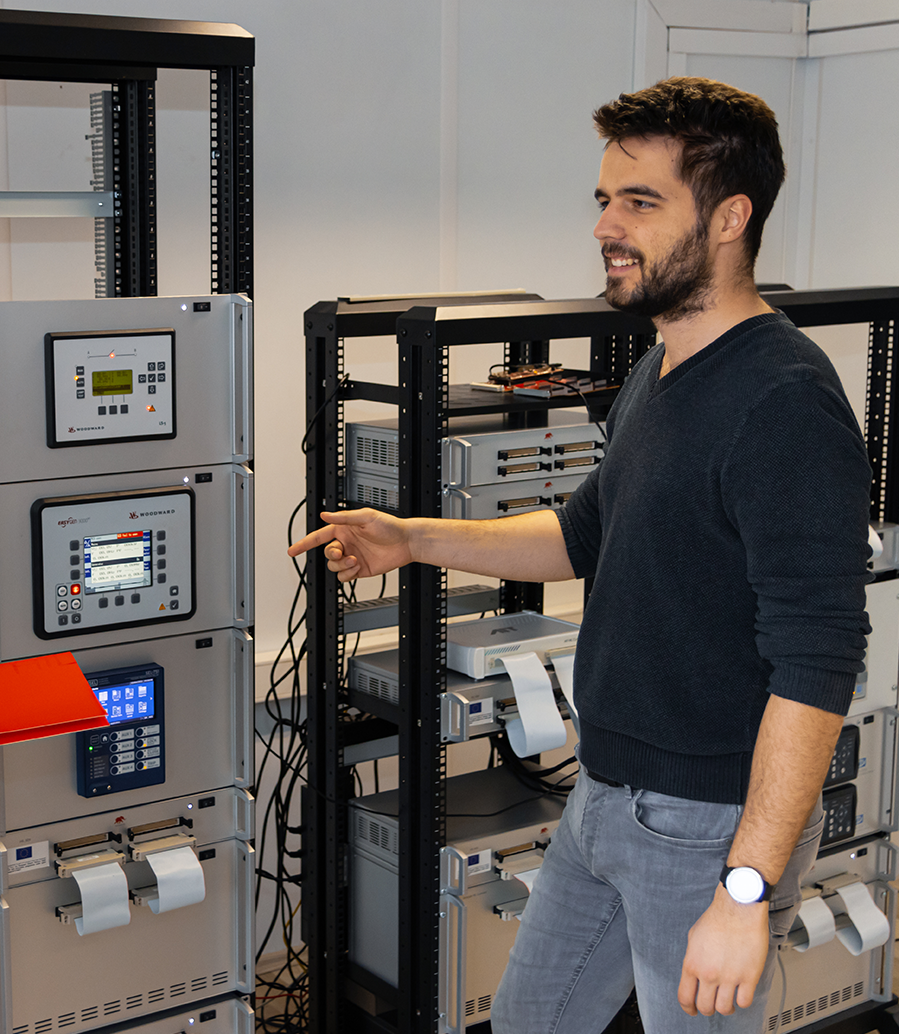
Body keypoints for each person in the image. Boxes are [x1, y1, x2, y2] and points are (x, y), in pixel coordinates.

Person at [289, 77, 871, 1031]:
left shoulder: (785, 403)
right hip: (606, 797)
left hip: (706, 826)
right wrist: (411, 539)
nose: (607, 224)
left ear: (731, 217)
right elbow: (579, 533)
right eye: (604, 199)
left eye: (641, 202)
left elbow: (818, 661)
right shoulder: (661, 367)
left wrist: (747, 889)